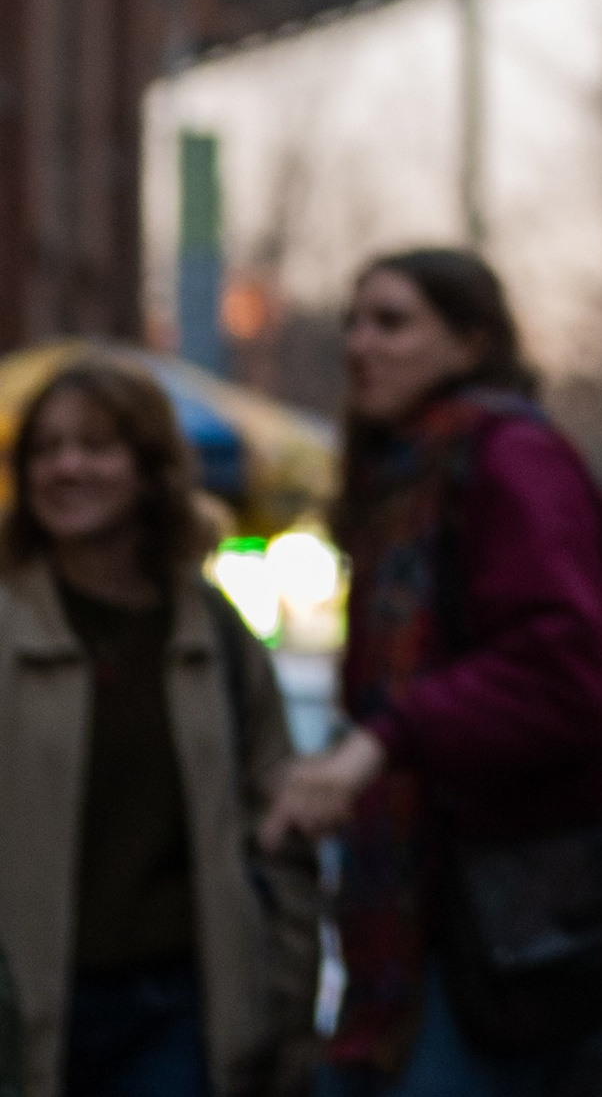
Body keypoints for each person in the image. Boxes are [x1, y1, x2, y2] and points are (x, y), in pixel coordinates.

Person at [259, 249, 602, 1097]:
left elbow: (569, 672)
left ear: (470, 343)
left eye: (392, 322)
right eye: (354, 322)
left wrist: (383, 743)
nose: (361, 344)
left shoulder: (511, 461)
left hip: (510, 937)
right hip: (430, 929)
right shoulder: (406, 477)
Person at [0, 352, 318, 1097]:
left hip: (180, 1012)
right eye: (45, 450)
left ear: (149, 469)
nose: (66, 468)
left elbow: (277, 827)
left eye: (95, 446)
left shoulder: (216, 631)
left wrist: (285, 1006)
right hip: (22, 1013)